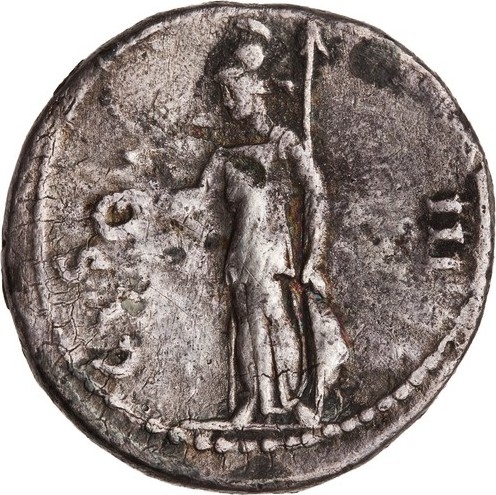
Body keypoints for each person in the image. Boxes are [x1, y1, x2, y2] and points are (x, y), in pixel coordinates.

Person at [174, 21, 347, 427]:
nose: (226, 102)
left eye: (231, 93)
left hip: (276, 254)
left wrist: (313, 258)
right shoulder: (223, 156)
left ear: (254, 93)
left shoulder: (285, 145)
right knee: (246, 325)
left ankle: (290, 402)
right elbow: (197, 200)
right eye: (222, 94)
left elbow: (316, 195)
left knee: (278, 319)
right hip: (240, 255)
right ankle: (253, 400)